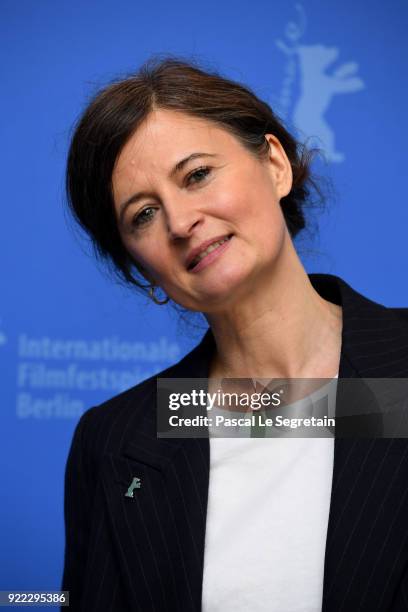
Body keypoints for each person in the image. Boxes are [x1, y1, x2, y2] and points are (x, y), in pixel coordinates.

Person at [62, 57, 408, 612]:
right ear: (140, 270)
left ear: (275, 164)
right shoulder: (113, 443)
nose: (179, 222)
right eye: (143, 214)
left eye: (197, 175)